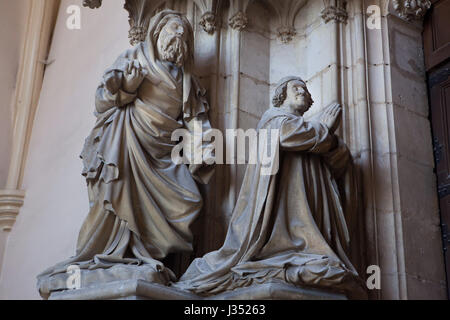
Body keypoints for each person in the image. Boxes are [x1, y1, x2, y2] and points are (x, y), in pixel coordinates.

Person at [37, 10, 215, 298]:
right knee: (120, 196)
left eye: (184, 34)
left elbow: (195, 118)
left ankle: (150, 256)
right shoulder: (135, 58)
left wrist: (204, 146)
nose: (178, 37)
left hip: (167, 152)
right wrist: (127, 88)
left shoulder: (188, 81)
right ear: (157, 33)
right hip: (129, 141)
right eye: (173, 30)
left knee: (189, 200)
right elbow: (102, 101)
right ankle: (122, 254)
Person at [174, 76, 365, 298]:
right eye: (296, 88)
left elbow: (339, 164)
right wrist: (323, 129)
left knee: (329, 268)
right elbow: (288, 135)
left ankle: (305, 251)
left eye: (305, 89)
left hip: (308, 215)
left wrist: (332, 141)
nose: (302, 91)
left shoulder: (310, 129)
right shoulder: (273, 119)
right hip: (278, 216)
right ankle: (279, 254)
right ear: (282, 94)